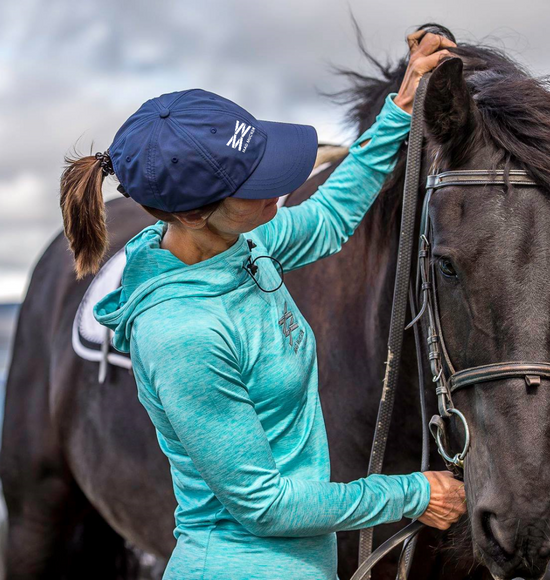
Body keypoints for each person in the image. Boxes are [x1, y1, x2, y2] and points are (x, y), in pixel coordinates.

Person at [60, 29, 465, 580]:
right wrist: (412, 493)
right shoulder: (182, 333)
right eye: (256, 181)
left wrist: (401, 108)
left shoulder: (237, 243)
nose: (283, 182)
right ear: (193, 214)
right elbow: (266, 505)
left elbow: (329, 218)